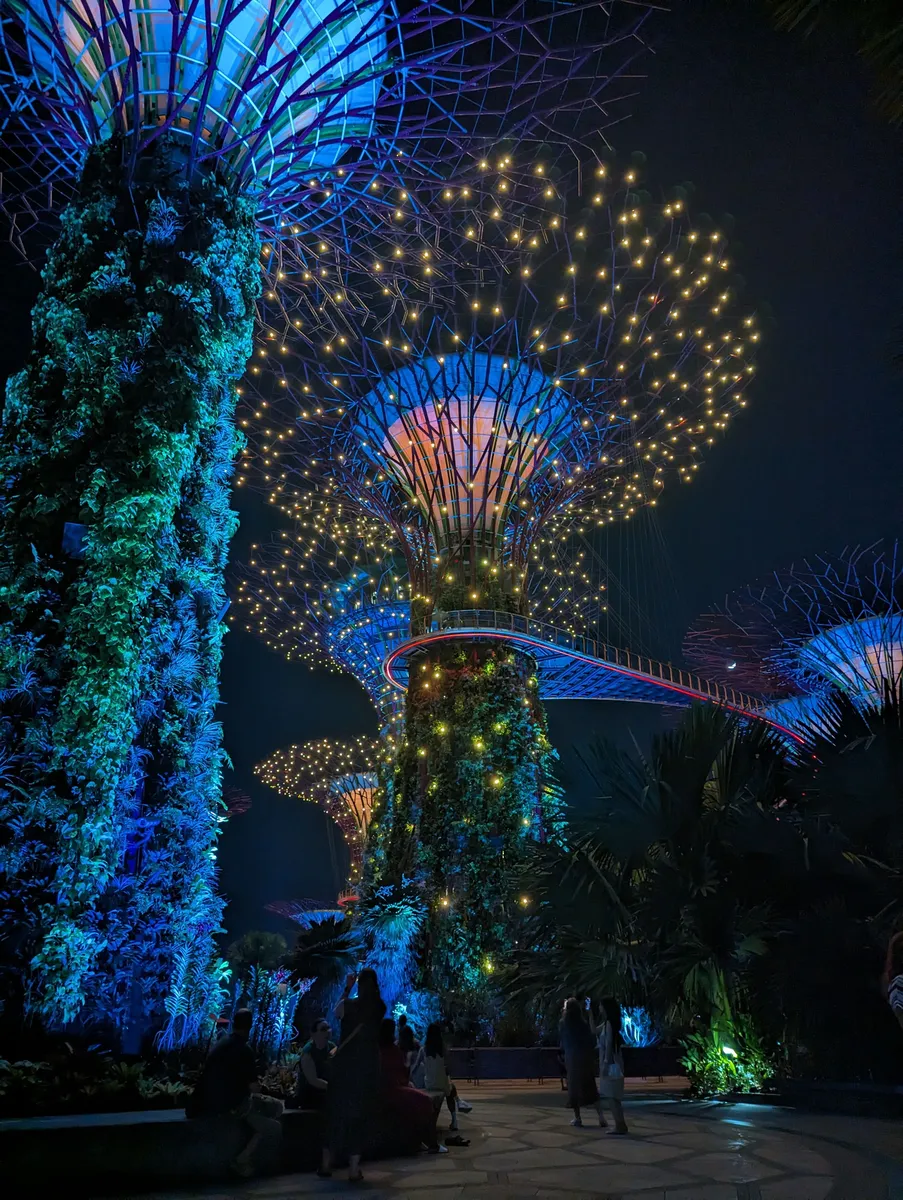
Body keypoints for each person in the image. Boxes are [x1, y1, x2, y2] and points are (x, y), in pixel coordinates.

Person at [189, 1008, 284, 1178]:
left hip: (206, 1103)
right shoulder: (244, 1050)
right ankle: (242, 1160)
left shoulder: (221, 1043)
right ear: (250, 1026)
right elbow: (254, 1088)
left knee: (269, 1110)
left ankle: (244, 1157)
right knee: (275, 1120)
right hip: (231, 1106)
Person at [318, 968, 386, 1183]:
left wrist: (347, 988)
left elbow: (335, 1013)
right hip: (366, 1068)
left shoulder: (349, 1005)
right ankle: (354, 1169)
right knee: (359, 1118)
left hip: (344, 1069)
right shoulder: (379, 1007)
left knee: (336, 1115)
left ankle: (326, 1164)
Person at [378, 1018, 446, 1154]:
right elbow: (402, 1074)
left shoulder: (381, 1049)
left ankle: (417, 1141)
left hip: (386, 1089)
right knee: (425, 1102)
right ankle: (432, 1143)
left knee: (415, 1097)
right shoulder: (393, 1050)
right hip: (392, 1090)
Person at [416, 1021, 468, 1142]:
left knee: (450, 1088)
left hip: (429, 1083)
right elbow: (448, 1068)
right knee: (451, 1089)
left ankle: (459, 1102)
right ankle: (455, 1119)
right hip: (442, 1083)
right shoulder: (443, 1050)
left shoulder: (423, 1050)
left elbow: (416, 1065)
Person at [559, 997, 603, 1128]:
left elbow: (562, 1041)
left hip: (572, 1058)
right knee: (590, 1086)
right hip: (584, 1057)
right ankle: (601, 1117)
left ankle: (578, 1118)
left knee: (574, 1087)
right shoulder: (582, 1024)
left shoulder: (563, 1023)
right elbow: (590, 1040)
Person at [596, 998, 629, 1134]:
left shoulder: (609, 1024)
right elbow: (593, 1030)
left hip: (611, 1062)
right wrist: (589, 1013)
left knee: (611, 1095)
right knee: (613, 1095)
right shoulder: (607, 1023)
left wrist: (605, 1063)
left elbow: (609, 1044)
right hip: (613, 1061)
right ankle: (620, 1124)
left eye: (600, 1005)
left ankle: (619, 1125)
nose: (599, 1007)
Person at [296, 1017, 335, 1109]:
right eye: (323, 1029)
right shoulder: (308, 1051)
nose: (328, 1031)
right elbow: (313, 1080)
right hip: (309, 1093)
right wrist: (334, 1088)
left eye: (328, 1028)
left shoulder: (332, 1047)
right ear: (313, 1034)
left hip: (325, 1090)